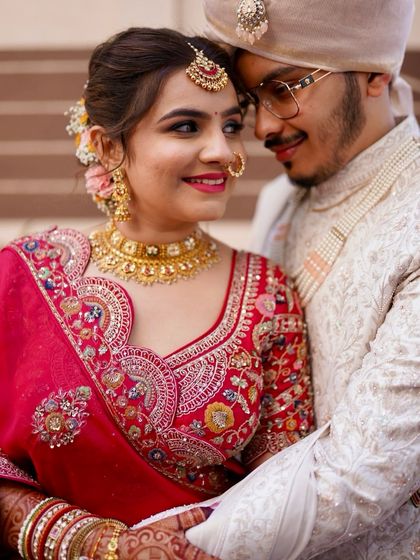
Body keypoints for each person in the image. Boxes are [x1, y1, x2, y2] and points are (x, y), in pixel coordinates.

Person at [0, 27, 312, 559]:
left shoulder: (268, 295)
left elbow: (287, 490)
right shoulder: (24, 275)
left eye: (231, 126)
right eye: (186, 126)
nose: (222, 152)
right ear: (107, 146)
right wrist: (103, 545)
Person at [164, 0, 418, 558]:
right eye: (253, 99)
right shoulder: (278, 200)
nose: (263, 127)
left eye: (284, 89)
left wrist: (155, 546)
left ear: (375, 73)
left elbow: (360, 472)